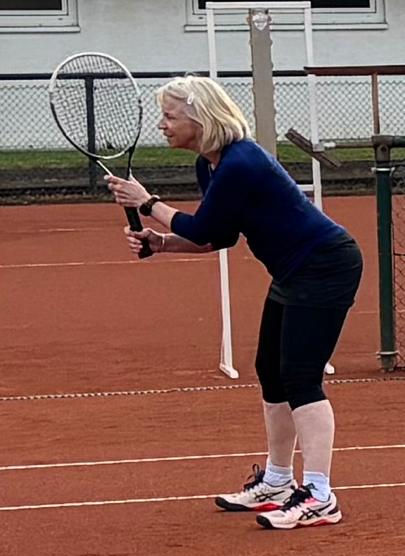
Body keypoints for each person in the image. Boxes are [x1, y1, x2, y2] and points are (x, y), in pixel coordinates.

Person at [116, 75, 361, 530]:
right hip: (294, 271)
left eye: (169, 116)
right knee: (271, 370)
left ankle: (321, 495)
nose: (162, 125)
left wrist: (147, 202)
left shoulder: (241, 161)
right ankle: (278, 481)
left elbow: (200, 226)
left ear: (199, 118)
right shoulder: (210, 166)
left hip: (325, 265)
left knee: (301, 378)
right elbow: (218, 235)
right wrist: (162, 243)